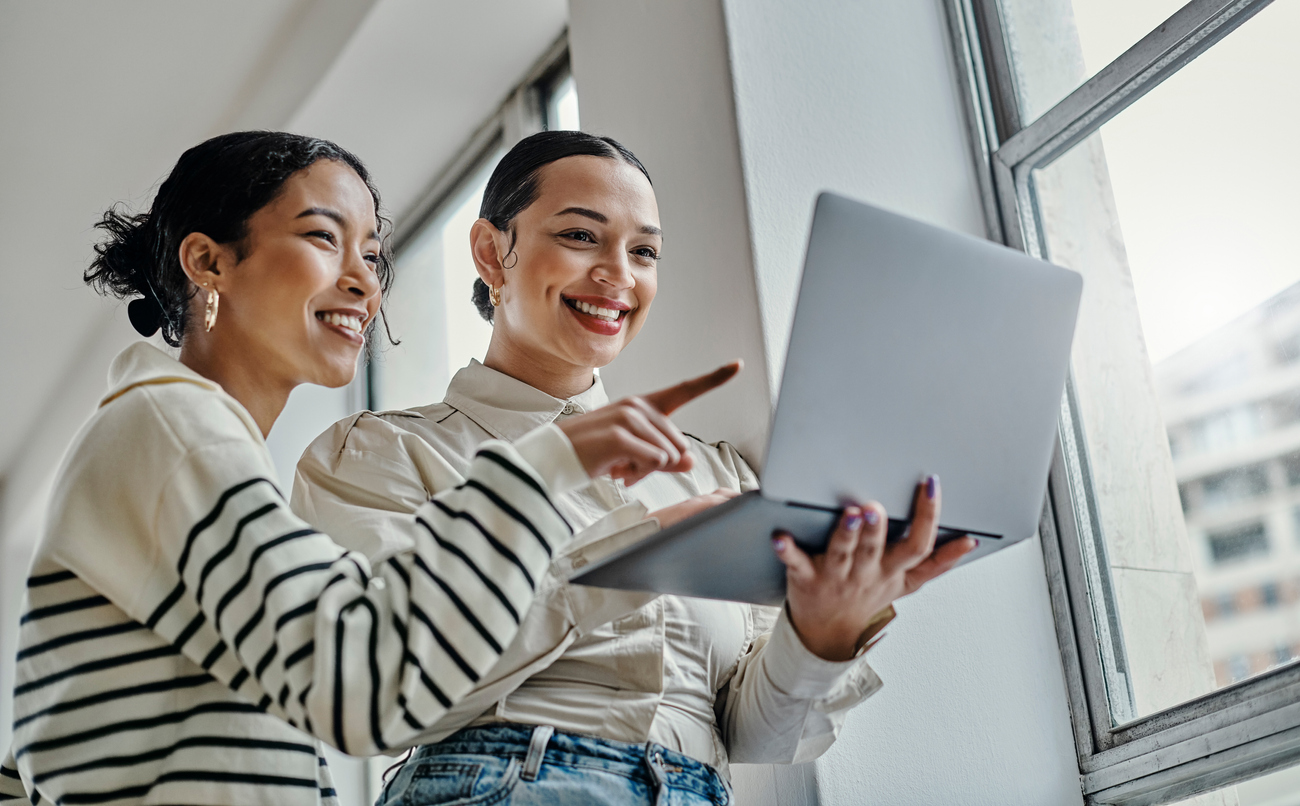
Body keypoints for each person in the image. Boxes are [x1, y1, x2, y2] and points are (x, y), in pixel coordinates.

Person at [0, 131, 733, 806]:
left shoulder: (190, 444)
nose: (364, 282)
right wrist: (548, 466)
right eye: (324, 237)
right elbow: (370, 686)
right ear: (208, 261)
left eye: (373, 255)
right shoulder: (174, 426)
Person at [293, 131, 976, 805]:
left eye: (644, 250)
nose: (619, 273)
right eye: (581, 236)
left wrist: (824, 630)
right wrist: (636, 557)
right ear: (491, 253)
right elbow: (385, 695)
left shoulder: (716, 474)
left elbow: (754, 736)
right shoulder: (380, 454)